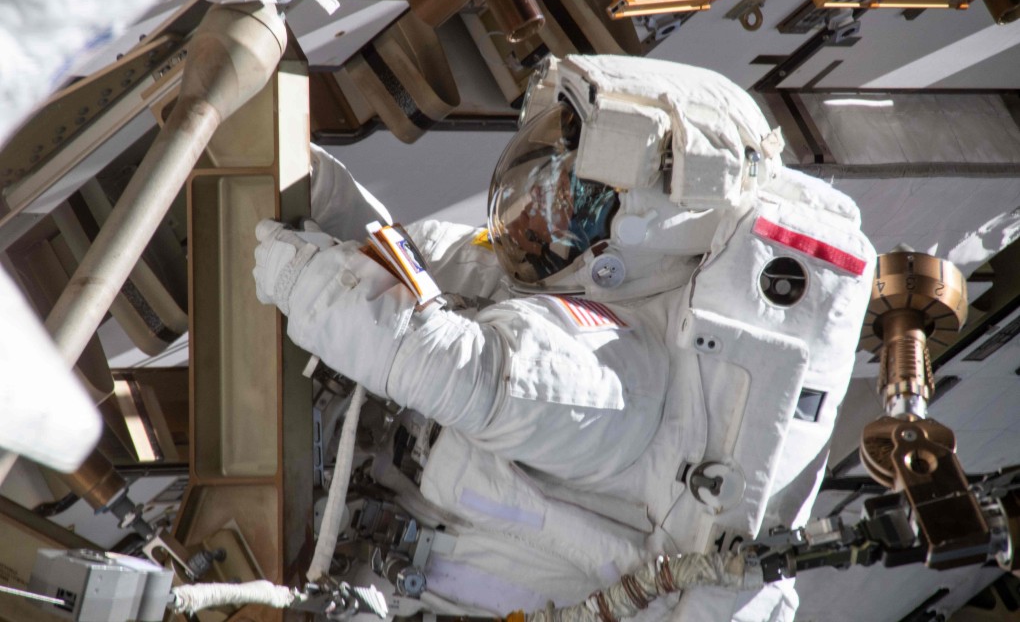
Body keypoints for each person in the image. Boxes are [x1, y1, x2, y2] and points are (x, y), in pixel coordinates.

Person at [252, 54, 875, 621]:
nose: (540, 206)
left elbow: (460, 369)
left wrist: (305, 279)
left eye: (573, 196)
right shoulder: (550, 273)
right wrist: (304, 187)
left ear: (636, 239)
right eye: (548, 173)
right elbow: (408, 266)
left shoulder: (627, 379)